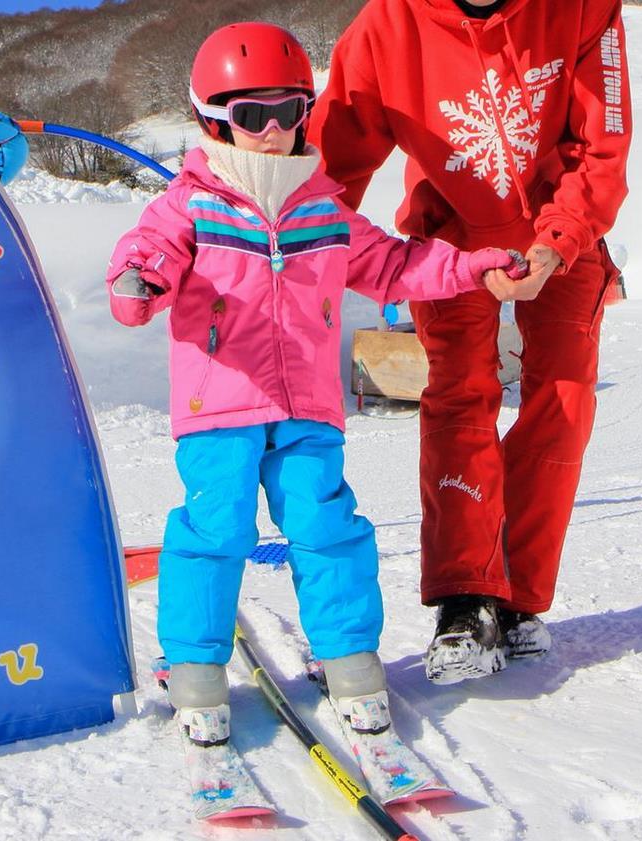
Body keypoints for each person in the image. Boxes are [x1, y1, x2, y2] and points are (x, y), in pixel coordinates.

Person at [106, 22, 526, 761]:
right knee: (215, 528)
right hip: (220, 404)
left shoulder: (323, 209)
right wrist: (137, 282)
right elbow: (150, 251)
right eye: (250, 115)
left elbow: (396, 267)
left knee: (326, 523)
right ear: (211, 117)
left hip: (305, 407)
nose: (271, 132)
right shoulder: (193, 203)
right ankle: (198, 666)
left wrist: (472, 267)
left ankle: (349, 658)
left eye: (288, 111)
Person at [314, 0, 632, 684]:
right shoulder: (386, 29)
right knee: (461, 397)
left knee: (565, 397)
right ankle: (465, 595)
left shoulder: (581, 10)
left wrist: (557, 243)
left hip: (562, 228)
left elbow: (602, 146)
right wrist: (279, 239)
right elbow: (326, 168)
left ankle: (514, 595)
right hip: (451, 236)